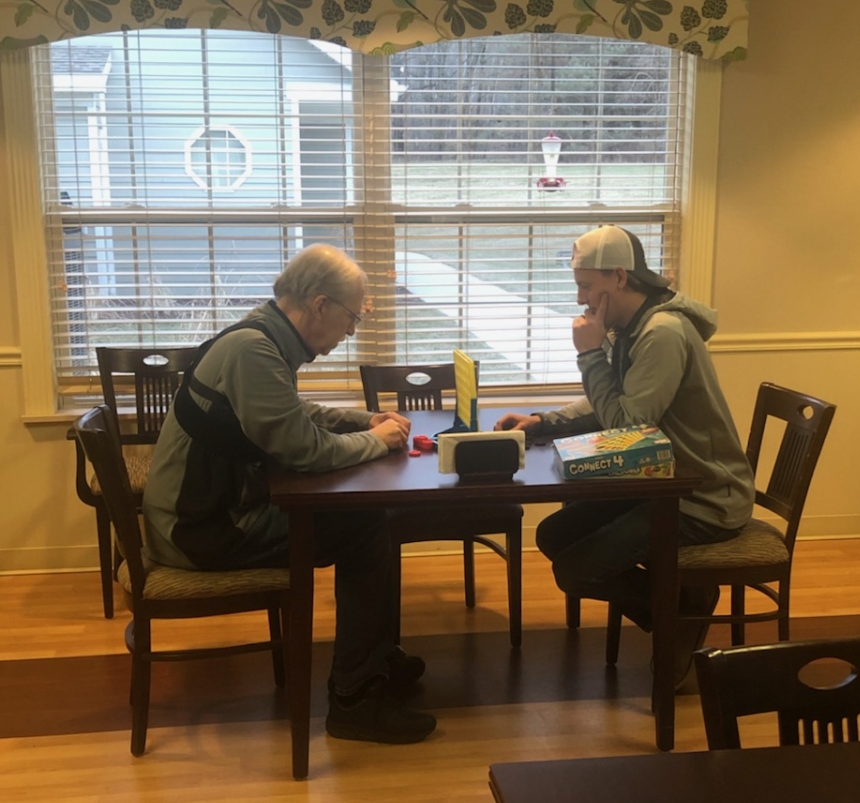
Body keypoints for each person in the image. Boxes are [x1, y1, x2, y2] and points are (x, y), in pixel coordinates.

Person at [142, 243, 436, 744]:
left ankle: (376, 658)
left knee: (377, 516)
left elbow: (288, 411)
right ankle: (354, 699)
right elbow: (303, 450)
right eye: (351, 318)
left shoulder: (261, 336)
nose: (351, 330)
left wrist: (363, 419)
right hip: (200, 529)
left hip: (212, 511)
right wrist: (375, 440)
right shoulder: (253, 350)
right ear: (319, 304)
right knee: (367, 526)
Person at [495, 224, 755, 683]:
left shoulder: (662, 333)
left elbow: (629, 428)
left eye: (586, 287)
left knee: (575, 571)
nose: (580, 301)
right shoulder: (630, 326)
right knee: (554, 535)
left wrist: (590, 356)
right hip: (659, 483)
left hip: (704, 498)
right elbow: (610, 401)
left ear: (619, 277)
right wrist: (543, 421)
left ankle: (681, 614)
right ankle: (677, 608)